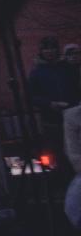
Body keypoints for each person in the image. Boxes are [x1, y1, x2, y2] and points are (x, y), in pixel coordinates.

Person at [28, 37, 81, 173]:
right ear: (41, 51)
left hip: (75, 118)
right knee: (61, 156)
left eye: (52, 48)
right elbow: (31, 97)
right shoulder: (36, 73)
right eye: (46, 49)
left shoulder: (68, 68)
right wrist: (50, 104)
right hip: (52, 122)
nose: (50, 51)